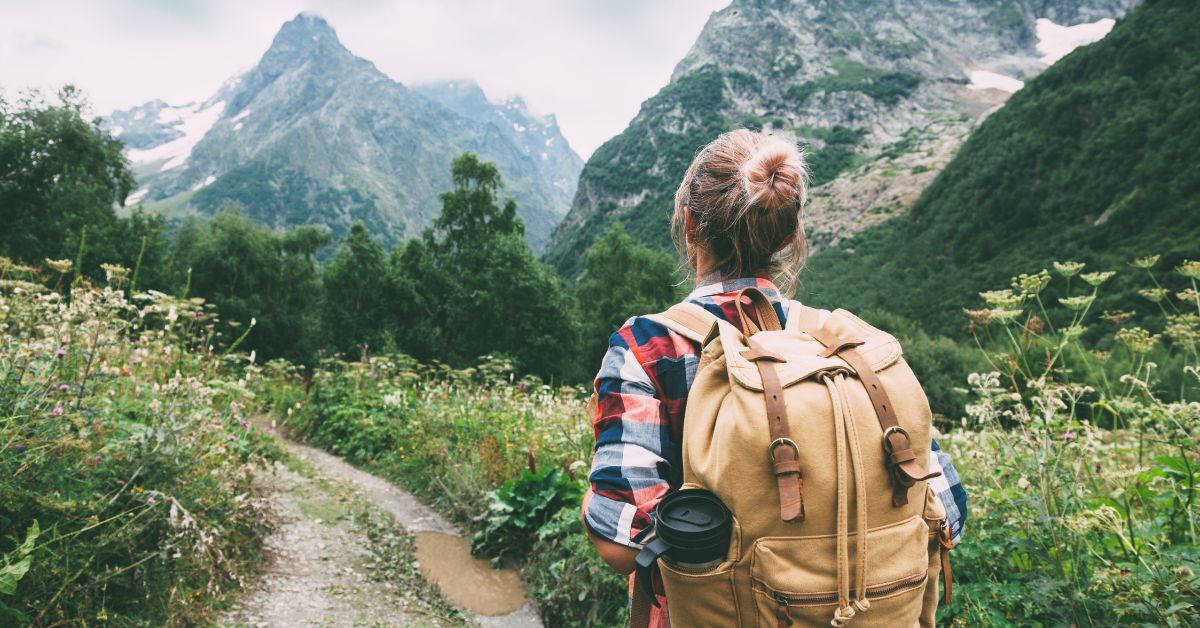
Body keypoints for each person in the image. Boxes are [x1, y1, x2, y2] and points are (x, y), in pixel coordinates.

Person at [580, 129, 967, 626]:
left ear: (690, 224)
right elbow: (948, 508)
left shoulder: (650, 348)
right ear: (787, 236)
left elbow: (619, 543)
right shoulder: (843, 344)